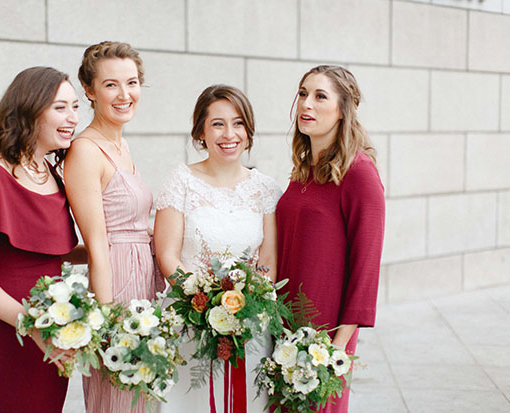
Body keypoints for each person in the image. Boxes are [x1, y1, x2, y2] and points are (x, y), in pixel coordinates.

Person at [0, 66, 82, 412]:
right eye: (60, 107)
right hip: (2, 338)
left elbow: (49, 253)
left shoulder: (53, 175)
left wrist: (127, 242)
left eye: (76, 106)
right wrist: (31, 326)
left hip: (51, 335)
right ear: (28, 110)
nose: (72, 117)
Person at [154, 84, 282, 413]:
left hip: (248, 319)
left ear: (249, 131)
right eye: (218, 123)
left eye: (238, 123)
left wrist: (247, 304)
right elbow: (167, 254)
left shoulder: (265, 188)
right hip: (189, 316)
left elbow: (267, 260)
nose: (230, 134)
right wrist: (200, 301)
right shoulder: (180, 181)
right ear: (201, 131)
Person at [276, 65, 385, 412]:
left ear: (342, 111)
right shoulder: (304, 169)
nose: (306, 103)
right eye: (303, 93)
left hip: (325, 332)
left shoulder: (359, 172)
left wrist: (337, 349)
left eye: (320, 96)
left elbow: (366, 267)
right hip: (285, 323)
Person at [64, 41, 159, 413]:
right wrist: (109, 324)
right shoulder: (86, 151)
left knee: (141, 399)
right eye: (111, 85)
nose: (125, 95)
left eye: (132, 83)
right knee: (119, 396)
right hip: (115, 284)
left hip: (142, 282)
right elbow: (96, 244)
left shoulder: (122, 145)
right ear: (88, 90)